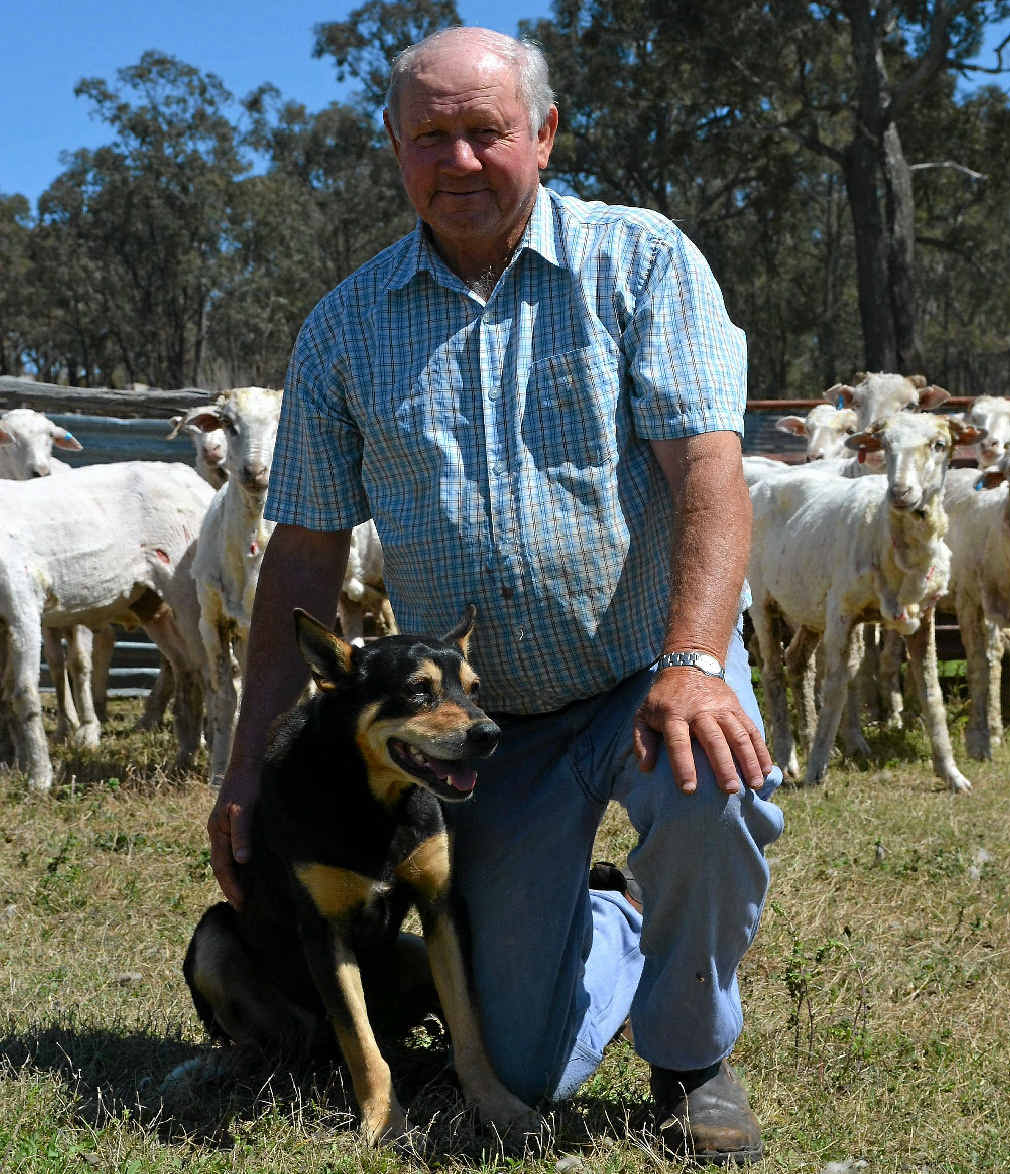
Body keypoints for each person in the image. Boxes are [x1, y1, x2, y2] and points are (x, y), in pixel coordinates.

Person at [207, 25, 784, 1165]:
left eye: (486, 131)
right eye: (430, 136)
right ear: (392, 148)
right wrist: (243, 765)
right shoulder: (345, 328)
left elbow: (708, 473)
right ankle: (611, 913)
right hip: (478, 734)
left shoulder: (642, 262)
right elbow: (304, 561)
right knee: (517, 1067)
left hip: (643, 671)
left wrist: (693, 663)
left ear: (544, 135)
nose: (458, 160)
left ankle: (688, 1062)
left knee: (713, 783)